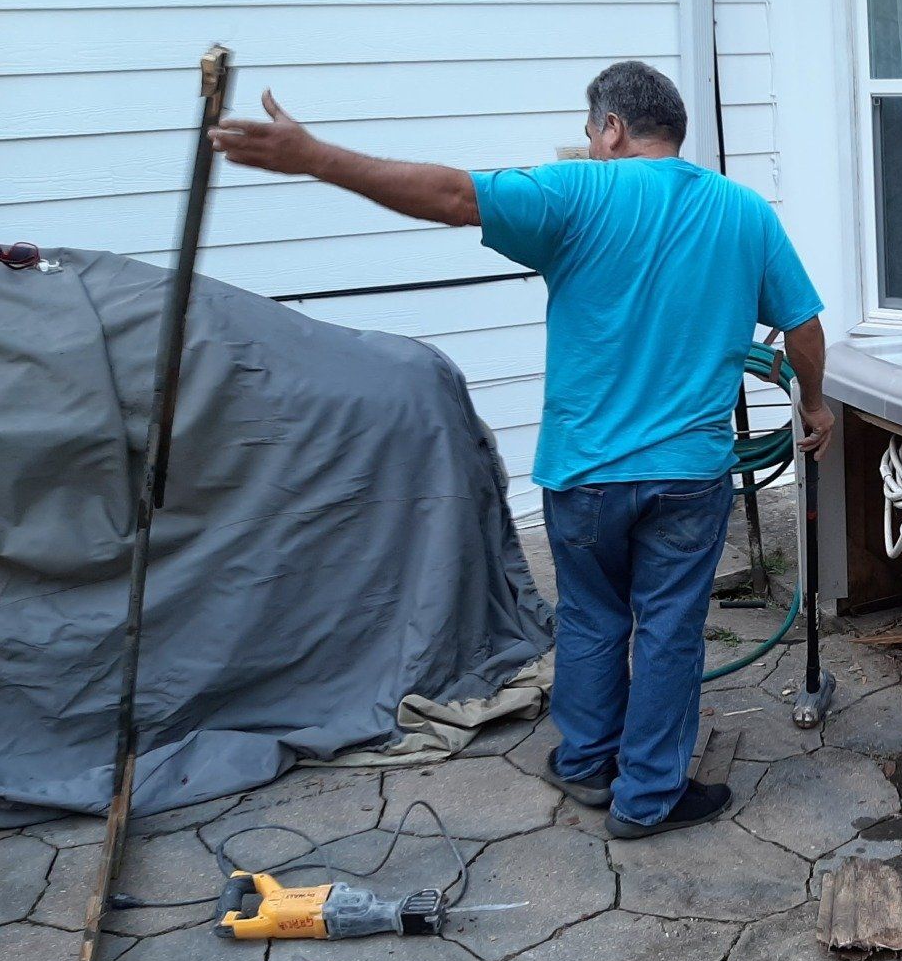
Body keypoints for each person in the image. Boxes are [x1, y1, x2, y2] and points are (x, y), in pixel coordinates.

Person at [211, 61, 832, 838]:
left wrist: (317, 158)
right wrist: (813, 403)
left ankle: (584, 763)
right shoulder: (744, 213)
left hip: (583, 474)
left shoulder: (574, 194)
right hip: (685, 473)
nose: (588, 142)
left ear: (611, 128)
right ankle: (649, 798)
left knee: (591, 618)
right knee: (668, 628)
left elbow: (450, 195)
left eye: (589, 129)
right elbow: (804, 328)